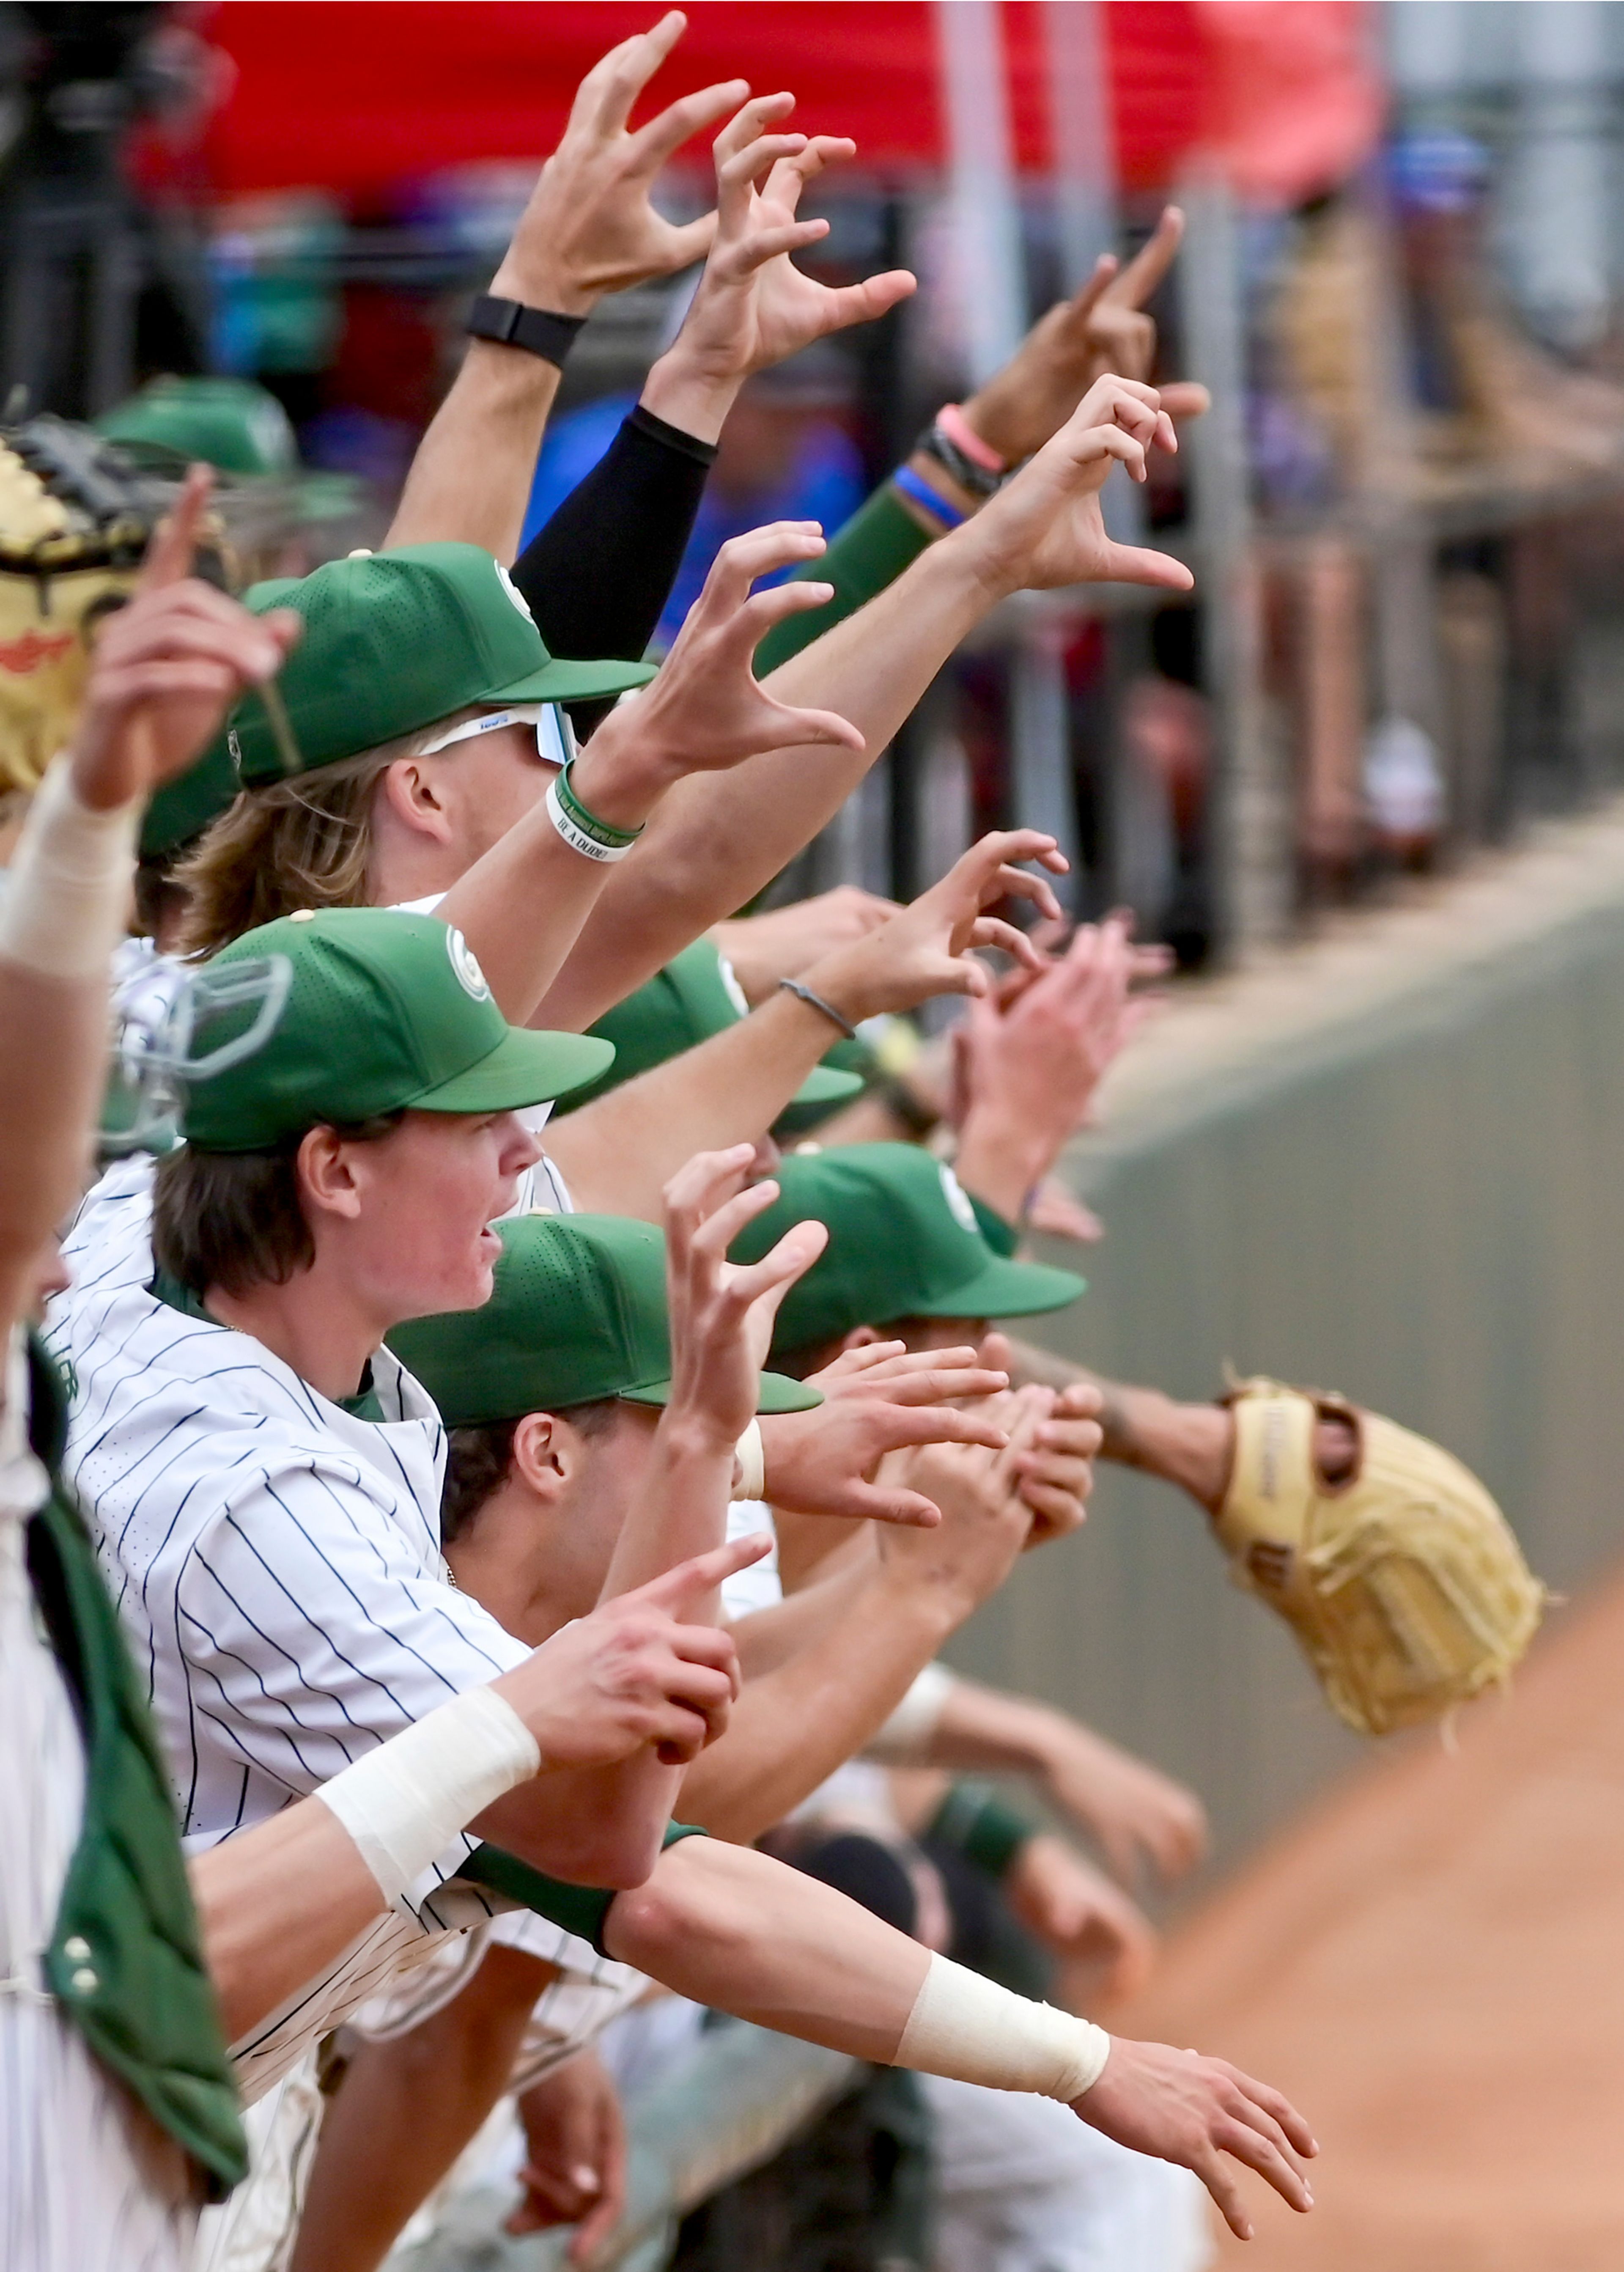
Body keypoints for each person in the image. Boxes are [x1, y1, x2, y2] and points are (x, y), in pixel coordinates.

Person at [0, 474, 758, 2272]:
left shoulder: (217, 1295)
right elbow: (597, 1833)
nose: (520, 1152)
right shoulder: (230, 1435)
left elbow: (422, 1004)